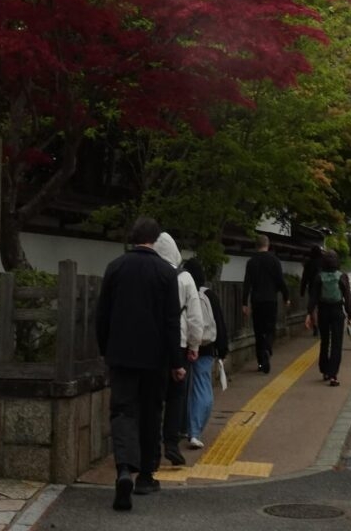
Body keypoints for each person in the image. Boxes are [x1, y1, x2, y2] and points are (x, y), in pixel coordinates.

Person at [95, 216, 186, 512]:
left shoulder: (115, 268)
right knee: (151, 411)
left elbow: (102, 315)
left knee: (122, 411)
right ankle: (146, 475)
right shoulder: (165, 272)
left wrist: (105, 348)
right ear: (156, 240)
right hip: (155, 357)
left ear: (133, 238)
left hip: (121, 354)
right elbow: (173, 322)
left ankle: (123, 469)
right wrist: (177, 361)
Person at [153, 231, 204, 467]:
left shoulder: (150, 274)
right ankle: (171, 444)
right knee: (176, 397)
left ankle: (150, 447)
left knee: (152, 398)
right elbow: (195, 316)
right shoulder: (185, 278)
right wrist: (194, 345)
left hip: (151, 345)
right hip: (180, 344)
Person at [182, 257, 229, 449]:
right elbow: (219, 322)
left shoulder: (183, 293)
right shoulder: (209, 294)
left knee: (183, 390)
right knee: (203, 389)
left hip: (183, 348)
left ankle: (183, 428)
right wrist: (223, 349)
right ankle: (194, 431)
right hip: (206, 347)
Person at [242, 233, 290, 373]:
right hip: (271, 300)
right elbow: (281, 281)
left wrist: (244, 303)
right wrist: (286, 297)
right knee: (270, 328)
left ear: (256, 246)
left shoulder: (251, 262)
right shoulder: (274, 261)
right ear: (268, 245)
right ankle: (268, 348)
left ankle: (261, 361)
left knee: (258, 330)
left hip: (257, 301)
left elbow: (247, 284)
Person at [306, 249, 351, 387]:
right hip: (337, 311)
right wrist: (350, 313)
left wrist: (310, 313)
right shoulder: (342, 276)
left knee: (324, 341)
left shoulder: (319, 276)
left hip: (323, 311)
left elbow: (313, 297)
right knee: (337, 343)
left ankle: (324, 370)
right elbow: (348, 297)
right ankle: (334, 375)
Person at [300, 245, 324, 337]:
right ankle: (322, 325)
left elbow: (304, 278)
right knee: (321, 307)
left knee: (313, 308)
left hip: (312, 288)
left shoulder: (308, 263)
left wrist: (302, 291)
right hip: (322, 287)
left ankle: (315, 326)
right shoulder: (323, 262)